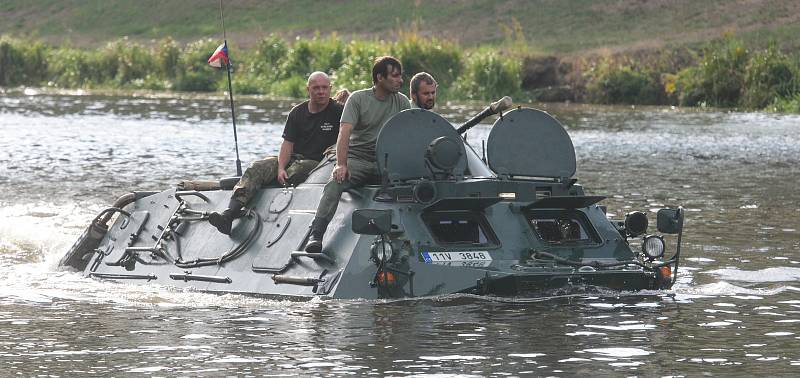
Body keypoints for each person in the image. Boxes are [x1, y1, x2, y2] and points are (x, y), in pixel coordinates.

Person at [208, 71, 344, 235]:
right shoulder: (297, 112)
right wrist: (280, 167)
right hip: (294, 157)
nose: (321, 92)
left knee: (295, 172)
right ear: (308, 89)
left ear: (330, 89)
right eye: (316, 88)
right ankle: (229, 215)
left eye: (324, 88)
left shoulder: (339, 112)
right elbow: (287, 144)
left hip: (319, 163)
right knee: (257, 167)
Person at [305, 56, 411, 253]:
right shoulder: (358, 99)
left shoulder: (402, 101)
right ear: (380, 78)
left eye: (400, 76)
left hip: (385, 162)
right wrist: (341, 165)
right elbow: (344, 133)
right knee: (334, 183)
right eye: (395, 76)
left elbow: (409, 134)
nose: (400, 80)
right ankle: (316, 233)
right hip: (358, 159)